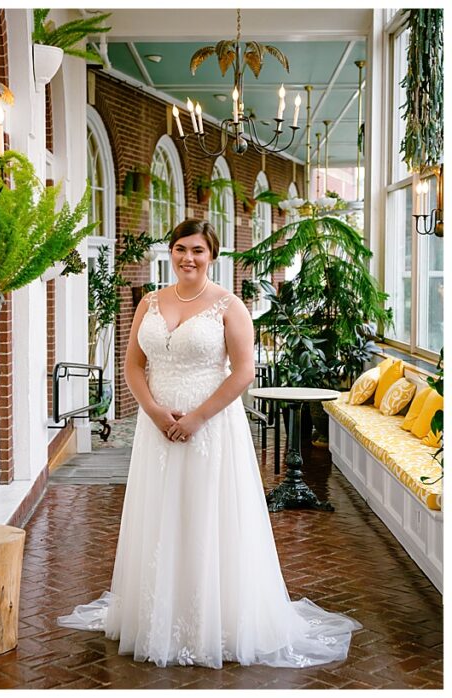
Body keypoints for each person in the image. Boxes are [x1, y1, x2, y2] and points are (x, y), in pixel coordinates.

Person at [57, 219, 360, 668]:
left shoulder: (228, 305)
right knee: (159, 513)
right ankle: (156, 612)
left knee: (206, 513)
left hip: (210, 427)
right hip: (156, 428)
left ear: (211, 255)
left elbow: (242, 372)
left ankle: (214, 618)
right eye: (180, 248)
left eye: (197, 250)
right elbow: (133, 367)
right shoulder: (149, 303)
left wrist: (196, 418)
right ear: (171, 251)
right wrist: (156, 412)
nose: (188, 258)